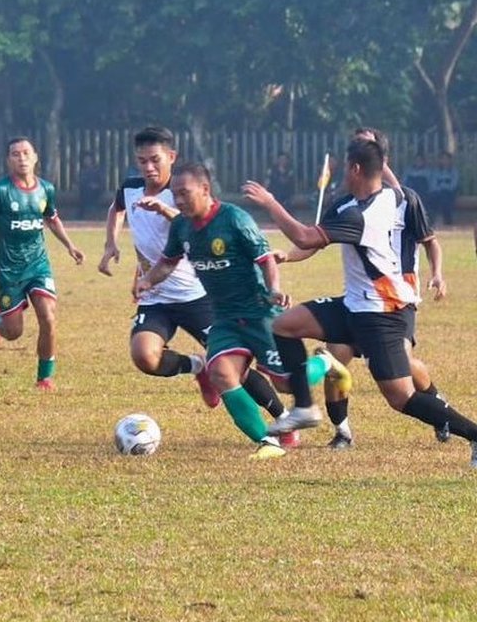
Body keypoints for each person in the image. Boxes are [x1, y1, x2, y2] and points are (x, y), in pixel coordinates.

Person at [243, 138, 477, 468]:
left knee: (401, 397)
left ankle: (474, 435)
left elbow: (306, 237)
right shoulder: (385, 196)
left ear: (354, 168)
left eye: (346, 164)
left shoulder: (360, 214)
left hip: (382, 313)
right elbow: (318, 238)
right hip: (355, 304)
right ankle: (305, 408)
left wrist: (270, 202)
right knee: (286, 324)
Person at [97, 126, 306, 443]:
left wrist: (167, 209)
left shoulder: (188, 192)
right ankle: (198, 367)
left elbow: (201, 228)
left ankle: (282, 417)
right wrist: (111, 244)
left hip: (199, 297)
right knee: (144, 356)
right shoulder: (131, 188)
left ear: (171, 157)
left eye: (154, 160)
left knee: (240, 370)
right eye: (141, 161)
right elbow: (118, 209)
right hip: (157, 297)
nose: (148, 168)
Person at [135, 161, 351, 459]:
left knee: (286, 383)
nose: (179, 200)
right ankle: (269, 443)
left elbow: (265, 259)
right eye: (175, 194)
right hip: (224, 318)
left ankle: (325, 364)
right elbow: (167, 262)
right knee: (221, 373)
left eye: (184, 193)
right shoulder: (182, 226)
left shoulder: (235, 219)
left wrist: (274, 289)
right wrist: (147, 280)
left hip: (259, 313)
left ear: (205, 189)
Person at [275, 127, 450, 450]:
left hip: (397, 300)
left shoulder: (405, 200)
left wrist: (437, 273)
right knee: (335, 356)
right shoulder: (347, 205)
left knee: (405, 372)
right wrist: (288, 256)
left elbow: (430, 242)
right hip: (361, 301)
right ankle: (342, 431)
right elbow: (314, 241)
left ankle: (440, 409)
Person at [0, 136, 85, 389]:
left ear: (35, 157)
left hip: (38, 265)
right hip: (7, 270)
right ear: (8, 160)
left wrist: (70, 245)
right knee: (13, 333)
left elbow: (52, 218)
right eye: (16, 154)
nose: (22, 158)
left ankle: (44, 378)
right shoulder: (1, 191)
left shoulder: (46, 189)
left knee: (48, 317)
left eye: (26, 153)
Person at [429, 152, 459, 226]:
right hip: (438, 193)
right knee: (433, 197)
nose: (444, 161)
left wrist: (443, 186)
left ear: (450, 160)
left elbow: (453, 185)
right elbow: (433, 185)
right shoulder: (436, 171)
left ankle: (445, 220)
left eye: (446, 159)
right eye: (442, 159)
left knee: (445, 196)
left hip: (449, 193)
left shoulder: (454, 171)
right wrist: (440, 187)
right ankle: (435, 219)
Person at [77, 151, 104, 220]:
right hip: (84, 191)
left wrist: (95, 186)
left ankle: (89, 213)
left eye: (88, 159)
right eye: (85, 159)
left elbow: (101, 184)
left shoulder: (96, 170)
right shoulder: (82, 171)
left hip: (95, 191)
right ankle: (83, 214)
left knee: (89, 193)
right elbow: (80, 182)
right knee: (84, 193)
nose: (86, 161)